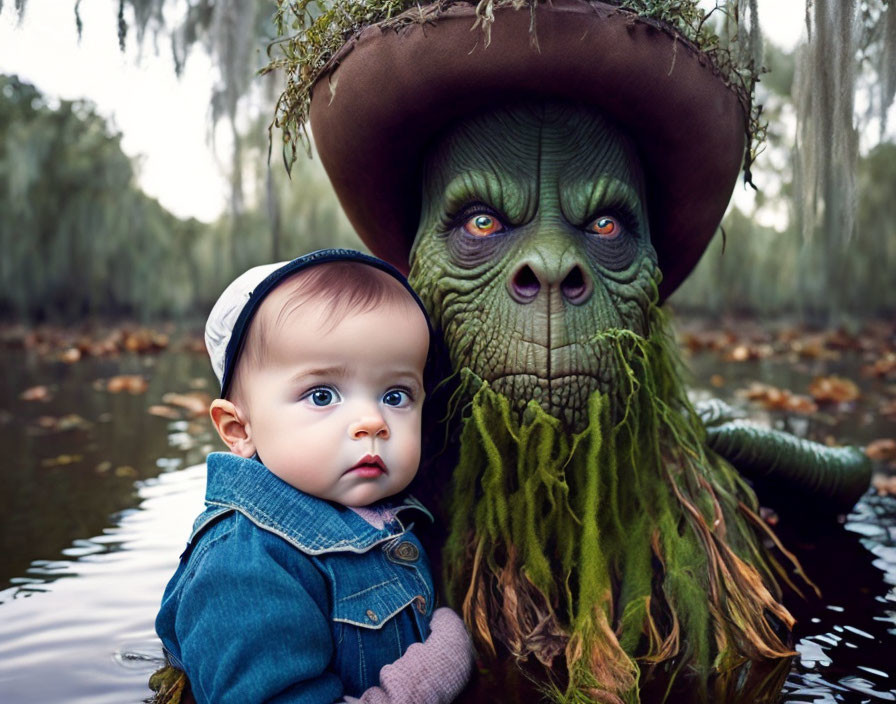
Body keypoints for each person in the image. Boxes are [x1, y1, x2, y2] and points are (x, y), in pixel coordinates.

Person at [154, 248, 474, 704]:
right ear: (239, 429)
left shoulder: (383, 514)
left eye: (397, 395)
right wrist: (424, 683)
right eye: (322, 395)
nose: (373, 423)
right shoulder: (245, 566)